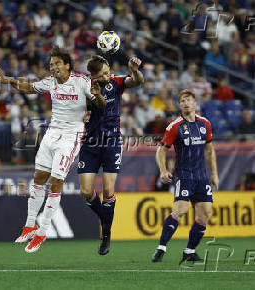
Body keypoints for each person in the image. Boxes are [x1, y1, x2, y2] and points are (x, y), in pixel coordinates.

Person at [0, 47, 106, 253]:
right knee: (38, 178)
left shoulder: (81, 81)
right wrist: (8, 80)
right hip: (51, 135)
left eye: (56, 64)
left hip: (71, 137)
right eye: (51, 64)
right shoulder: (50, 82)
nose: (53, 67)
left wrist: (97, 96)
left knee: (56, 182)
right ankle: (29, 225)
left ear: (67, 65)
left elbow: (101, 105)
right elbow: (28, 88)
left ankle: (42, 232)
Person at [77, 55, 144, 255]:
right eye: (104, 73)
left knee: (107, 189)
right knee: (86, 192)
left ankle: (106, 235)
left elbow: (138, 81)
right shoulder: (84, 88)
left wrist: (134, 70)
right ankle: (106, 217)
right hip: (90, 144)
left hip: (112, 142)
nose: (108, 75)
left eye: (108, 71)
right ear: (93, 76)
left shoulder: (116, 82)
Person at [151, 89, 219, 263]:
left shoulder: (205, 124)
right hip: (184, 175)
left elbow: (210, 151)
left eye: (188, 100)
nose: (185, 103)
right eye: (182, 101)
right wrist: (163, 170)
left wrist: (215, 174)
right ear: (179, 105)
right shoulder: (175, 126)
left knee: (205, 215)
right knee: (180, 210)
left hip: (202, 176)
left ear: (195, 103)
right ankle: (161, 248)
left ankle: (189, 251)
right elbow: (161, 150)